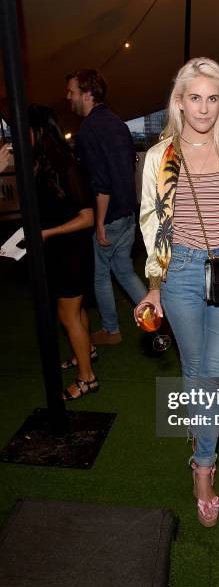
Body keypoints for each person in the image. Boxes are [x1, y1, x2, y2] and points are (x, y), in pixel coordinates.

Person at [138, 57, 219, 527]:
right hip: (181, 273)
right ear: (179, 102)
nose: (205, 108)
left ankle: (203, 467)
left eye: (213, 98)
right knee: (195, 369)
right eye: (195, 98)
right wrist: (154, 284)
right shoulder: (159, 156)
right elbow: (151, 226)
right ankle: (202, 443)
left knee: (212, 373)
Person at [66, 69, 146, 345]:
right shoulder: (116, 122)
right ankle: (157, 318)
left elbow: (101, 183)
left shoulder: (88, 130)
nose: (69, 98)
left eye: (72, 92)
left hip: (110, 215)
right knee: (124, 270)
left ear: (87, 94)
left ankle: (111, 330)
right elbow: (127, 169)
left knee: (100, 274)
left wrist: (99, 221)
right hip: (127, 212)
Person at [28, 104, 98, 399]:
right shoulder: (43, 164)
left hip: (71, 249)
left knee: (67, 314)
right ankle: (87, 352)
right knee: (75, 310)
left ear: (39, 131)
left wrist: (47, 232)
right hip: (60, 250)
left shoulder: (67, 166)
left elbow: (88, 217)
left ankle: (87, 379)